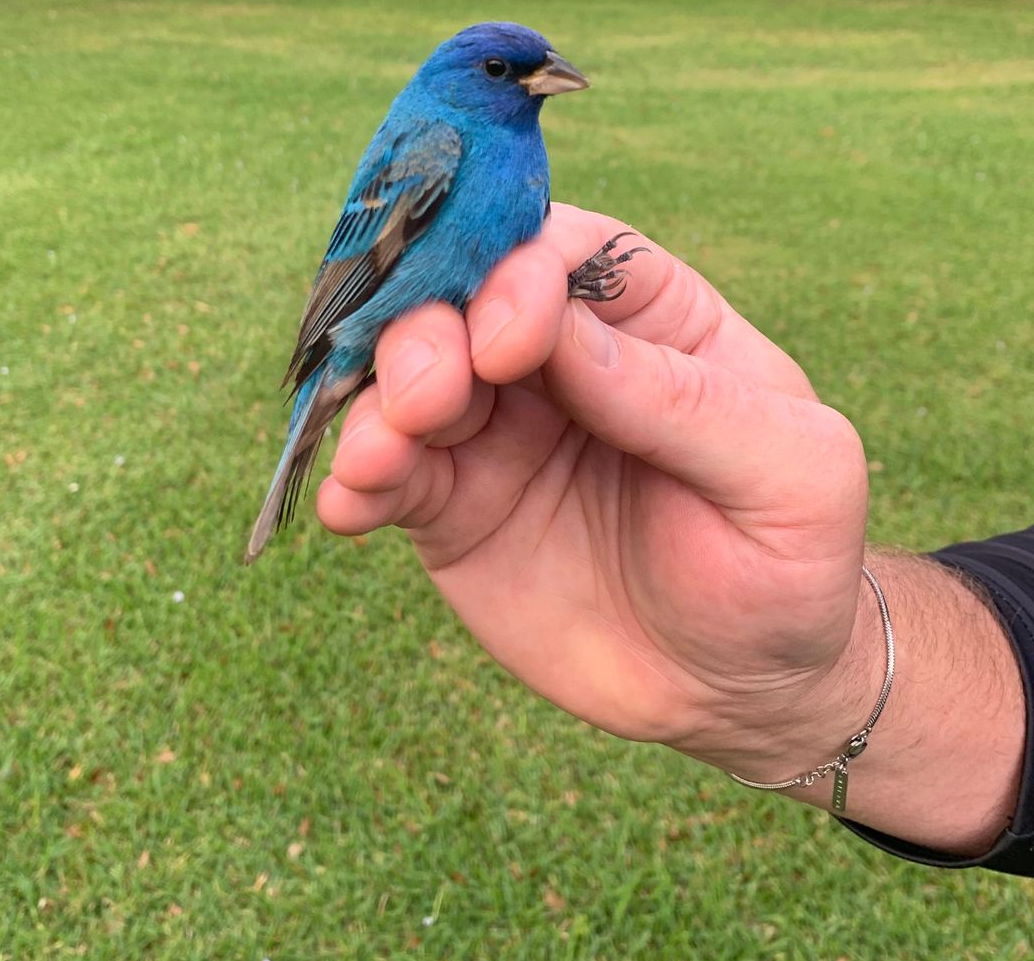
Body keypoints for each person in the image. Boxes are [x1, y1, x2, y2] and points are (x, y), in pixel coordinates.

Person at [315, 203, 1034, 875]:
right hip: (454, 358)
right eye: (511, 68)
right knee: (491, 330)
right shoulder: (441, 143)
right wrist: (820, 684)